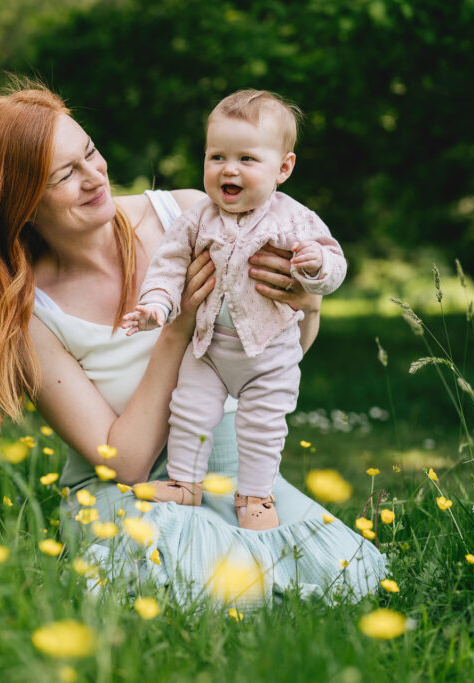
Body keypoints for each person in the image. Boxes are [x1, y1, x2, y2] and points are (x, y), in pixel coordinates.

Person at [0, 82, 385, 607]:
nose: (93, 177)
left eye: (89, 152)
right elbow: (123, 463)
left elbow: (278, 355)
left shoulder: (190, 215)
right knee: (214, 582)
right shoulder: (29, 313)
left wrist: (306, 305)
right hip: (130, 496)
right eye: (64, 175)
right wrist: (176, 329)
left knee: (352, 574)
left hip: (232, 478)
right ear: (20, 203)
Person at [120, 90, 346, 532]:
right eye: (217, 156)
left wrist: (317, 267)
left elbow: (333, 261)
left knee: (263, 427)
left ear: (283, 168)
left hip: (270, 350)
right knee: (188, 410)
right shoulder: (196, 220)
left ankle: (256, 496)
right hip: (209, 347)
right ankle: (184, 482)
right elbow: (168, 266)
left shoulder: (294, 219)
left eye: (247, 159)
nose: (229, 168)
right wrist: (155, 305)